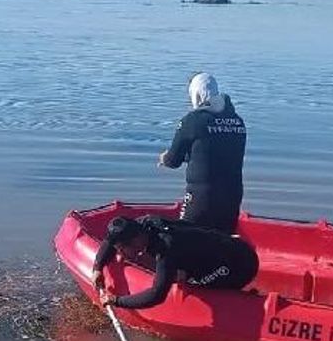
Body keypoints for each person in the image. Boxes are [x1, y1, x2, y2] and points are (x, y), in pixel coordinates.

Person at [91, 215, 259, 310]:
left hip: (240, 265)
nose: (119, 254)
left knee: (185, 281)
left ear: (135, 241)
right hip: (230, 247)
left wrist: (117, 301)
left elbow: (157, 296)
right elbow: (109, 241)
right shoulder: (143, 224)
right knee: (176, 272)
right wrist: (98, 267)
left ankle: (244, 301)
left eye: (121, 249)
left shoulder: (166, 248)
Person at [158, 72, 246, 234]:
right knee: (223, 240)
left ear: (196, 93)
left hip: (201, 196)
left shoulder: (192, 121)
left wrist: (165, 158)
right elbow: (214, 153)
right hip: (232, 195)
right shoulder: (238, 122)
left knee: (186, 237)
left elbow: (173, 160)